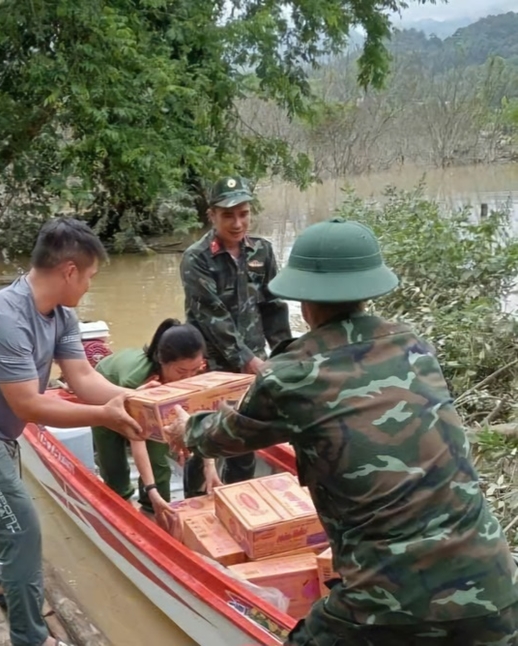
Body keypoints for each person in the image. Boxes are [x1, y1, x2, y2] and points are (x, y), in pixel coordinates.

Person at [165, 217, 518, 646]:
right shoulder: (414, 345)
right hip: (497, 586)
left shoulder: (291, 374)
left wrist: (187, 427)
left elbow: (223, 435)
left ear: (304, 303)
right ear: (369, 292)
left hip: (387, 599)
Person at [0, 217, 145, 646]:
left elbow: (82, 376)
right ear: (69, 271)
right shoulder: (5, 318)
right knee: (20, 524)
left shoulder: (61, 313)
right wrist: (104, 416)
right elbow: (29, 405)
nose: (88, 286)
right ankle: (30, 637)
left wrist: (132, 399)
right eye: (89, 277)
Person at [180, 175, 292, 489]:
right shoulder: (196, 259)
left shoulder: (262, 252)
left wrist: (285, 357)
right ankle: (194, 505)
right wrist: (249, 360)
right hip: (209, 366)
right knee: (201, 442)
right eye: (228, 215)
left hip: (253, 362)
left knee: (243, 441)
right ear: (212, 215)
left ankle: (238, 502)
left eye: (243, 214)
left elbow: (273, 308)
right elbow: (212, 316)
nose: (237, 223)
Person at [91, 318, 222, 518]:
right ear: (163, 361)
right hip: (107, 390)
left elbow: (199, 420)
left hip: (142, 392)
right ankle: (122, 505)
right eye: (181, 372)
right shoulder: (141, 382)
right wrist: (152, 489)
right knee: (112, 462)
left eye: (195, 370)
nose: (188, 378)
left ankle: (154, 509)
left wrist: (209, 466)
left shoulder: (195, 375)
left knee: (158, 459)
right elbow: (138, 437)